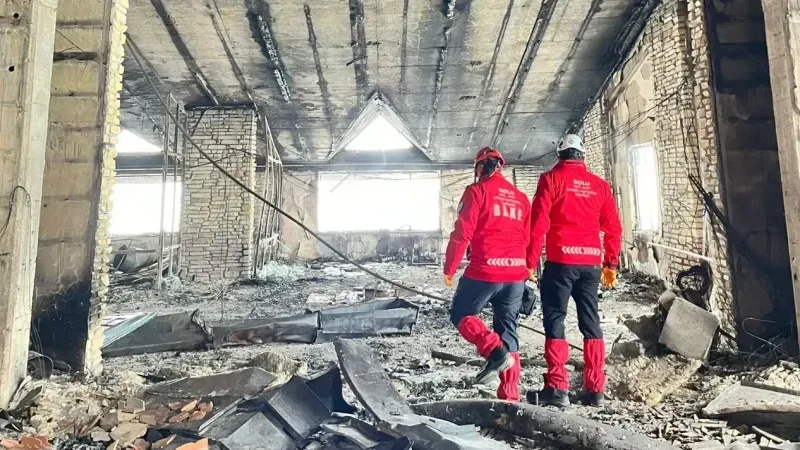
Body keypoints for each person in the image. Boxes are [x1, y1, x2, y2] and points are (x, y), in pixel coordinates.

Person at [526, 134, 622, 407]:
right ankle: (595, 390)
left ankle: (558, 388)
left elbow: (538, 225)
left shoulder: (550, 180)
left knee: (555, 321)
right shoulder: (600, 186)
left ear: (560, 155)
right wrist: (611, 263)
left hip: (561, 263)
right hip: (591, 264)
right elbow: (613, 228)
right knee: (591, 323)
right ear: (583, 155)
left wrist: (530, 262)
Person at [444, 147, 532, 401]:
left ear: (481, 168)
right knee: (508, 328)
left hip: (486, 271)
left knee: (461, 313)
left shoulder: (477, 191)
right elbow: (526, 238)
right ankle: (510, 396)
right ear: (501, 167)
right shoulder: (520, 197)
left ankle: (493, 350)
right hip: (516, 274)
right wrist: (527, 269)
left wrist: (450, 268)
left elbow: (462, 234)